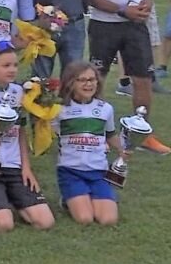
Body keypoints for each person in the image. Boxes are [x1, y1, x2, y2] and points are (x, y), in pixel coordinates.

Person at [85, 0, 170, 155]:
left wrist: (145, 3)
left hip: (134, 27)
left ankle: (141, 132)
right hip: (104, 25)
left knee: (143, 80)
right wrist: (121, 9)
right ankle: (95, 131)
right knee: (97, 80)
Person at [0, 43, 54, 233]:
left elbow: (20, 130)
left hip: (14, 166)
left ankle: (10, 196)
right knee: (5, 225)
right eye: (6, 66)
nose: (12, 69)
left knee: (44, 222)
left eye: (14, 65)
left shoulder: (19, 93)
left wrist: (26, 167)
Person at [53, 62, 125, 226]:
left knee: (108, 220)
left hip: (98, 172)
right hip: (71, 171)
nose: (89, 84)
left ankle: (93, 196)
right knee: (84, 218)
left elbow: (110, 134)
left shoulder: (105, 108)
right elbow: (48, 133)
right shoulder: (59, 109)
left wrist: (123, 150)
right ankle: (67, 199)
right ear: (71, 83)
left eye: (92, 80)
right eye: (82, 80)